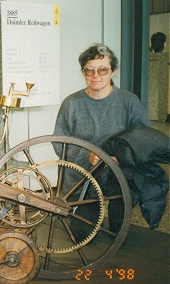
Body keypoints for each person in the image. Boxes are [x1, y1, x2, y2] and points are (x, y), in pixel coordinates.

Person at [53, 44, 151, 235]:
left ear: (113, 71)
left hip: (119, 173)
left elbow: (144, 138)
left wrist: (121, 158)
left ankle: (118, 216)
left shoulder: (129, 102)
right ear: (83, 72)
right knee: (81, 235)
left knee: (118, 234)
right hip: (82, 176)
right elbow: (59, 142)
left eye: (102, 69)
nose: (96, 75)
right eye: (89, 70)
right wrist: (86, 156)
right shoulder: (71, 103)